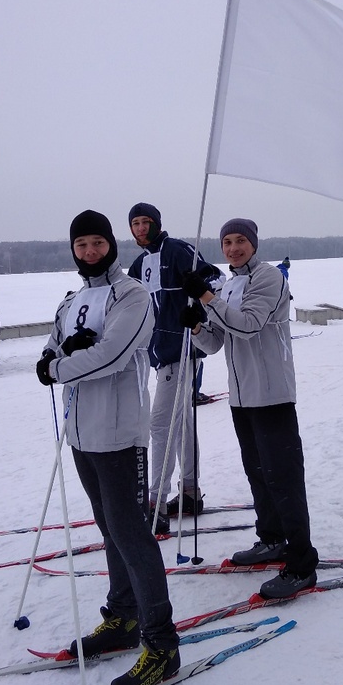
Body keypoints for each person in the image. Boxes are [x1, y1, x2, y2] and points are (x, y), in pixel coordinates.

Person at [35, 209, 179, 685]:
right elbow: (50, 347)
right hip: (82, 436)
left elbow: (112, 354)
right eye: (82, 245)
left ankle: (161, 646)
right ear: (73, 249)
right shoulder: (73, 298)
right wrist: (58, 357)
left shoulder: (131, 294)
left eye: (98, 243)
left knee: (132, 534)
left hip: (120, 435)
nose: (90, 252)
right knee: (109, 530)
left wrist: (59, 366)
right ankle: (123, 616)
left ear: (111, 245)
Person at [180, 217, 320, 600]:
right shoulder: (229, 284)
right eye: (227, 242)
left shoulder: (269, 279)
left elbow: (249, 326)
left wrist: (209, 300)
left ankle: (302, 562)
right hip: (242, 397)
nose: (234, 248)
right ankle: (272, 538)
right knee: (257, 472)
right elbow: (217, 344)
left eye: (241, 240)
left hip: (272, 394)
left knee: (283, 477)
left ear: (254, 244)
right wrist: (196, 326)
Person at [126, 202, 223, 532]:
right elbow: (128, 306)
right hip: (160, 354)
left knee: (160, 423)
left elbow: (214, 278)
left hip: (182, 350)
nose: (140, 228)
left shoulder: (177, 250)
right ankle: (190, 491)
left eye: (145, 222)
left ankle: (156, 503)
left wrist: (200, 309)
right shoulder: (139, 265)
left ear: (156, 223)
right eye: (134, 223)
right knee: (180, 424)